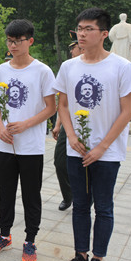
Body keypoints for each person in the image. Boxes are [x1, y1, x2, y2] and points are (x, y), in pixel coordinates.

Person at [55, 8, 131, 261]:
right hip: (76, 149)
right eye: (79, 28)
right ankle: (80, 257)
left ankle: (97, 260)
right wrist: (72, 136)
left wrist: (102, 147)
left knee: (103, 207)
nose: (81, 33)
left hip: (107, 152)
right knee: (80, 205)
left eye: (88, 29)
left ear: (104, 34)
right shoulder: (69, 67)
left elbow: (126, 111)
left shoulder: (121, 67)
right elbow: (63, 105)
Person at [0, 19, 56, 261]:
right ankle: (4, 235)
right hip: (4, 144)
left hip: (31, 146)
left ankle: (30, 240)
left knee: (31, 195)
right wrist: (0, 128)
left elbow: (51, 107)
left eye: (18, 41)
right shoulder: (0, 71)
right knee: (5, 192)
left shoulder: (43, 71)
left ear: (30, 41)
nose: (13, 45)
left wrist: (26, 124)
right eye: (9, 41)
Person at [51, 30, 83, 211]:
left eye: (73, 47)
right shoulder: (68, 68)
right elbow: (63, 101)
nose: (71, 51)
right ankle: (68, 195)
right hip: (68, 123)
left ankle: (84, 198)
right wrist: (58, 125)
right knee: (60, 161)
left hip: (87, 123)